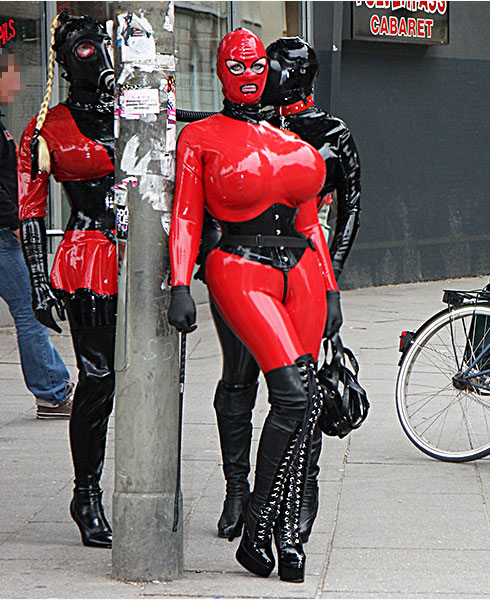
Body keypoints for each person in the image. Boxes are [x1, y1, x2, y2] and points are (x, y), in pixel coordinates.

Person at [167, 28, 341, 583]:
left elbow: (311, 223)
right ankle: (259, 523)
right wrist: (179, 283)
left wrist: (331, 289)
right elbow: (187, 214)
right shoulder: (199, 137)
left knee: (305, 402)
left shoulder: (290, 141)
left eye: (256, 65)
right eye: (235, 65)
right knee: (293, 394)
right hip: (239, 266)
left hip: (303, 271)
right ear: (220, 71)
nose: (247, 74)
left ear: (269, 71)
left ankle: (285, 534)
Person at [208, 35, 361, 544]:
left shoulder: (330, 133)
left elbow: (349, 209)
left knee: (301, 386)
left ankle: (298, 489)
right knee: (239, 377)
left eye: (270, 67)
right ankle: (238, 489)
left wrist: (330, 278)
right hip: (242, 262)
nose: (264, 75)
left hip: (302, 267)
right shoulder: (245, 124)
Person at [16, 12, 117, 548]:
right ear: (63, 60)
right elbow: (30, 208)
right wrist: (38, 278)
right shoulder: (48, 126)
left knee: (156, 374)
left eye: (100, 43)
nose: (95, 54)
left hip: (145, 256)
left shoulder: (141, 112)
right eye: (82, 47)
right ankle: (87, 493)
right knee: (99, 377)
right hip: (88, 256)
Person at [0, 48, 74, 419]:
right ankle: (52, 393)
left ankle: (53, 388)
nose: (17, 85)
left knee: (29, 307)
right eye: (11, 77)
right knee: (30, 308)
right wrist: (15, 222)